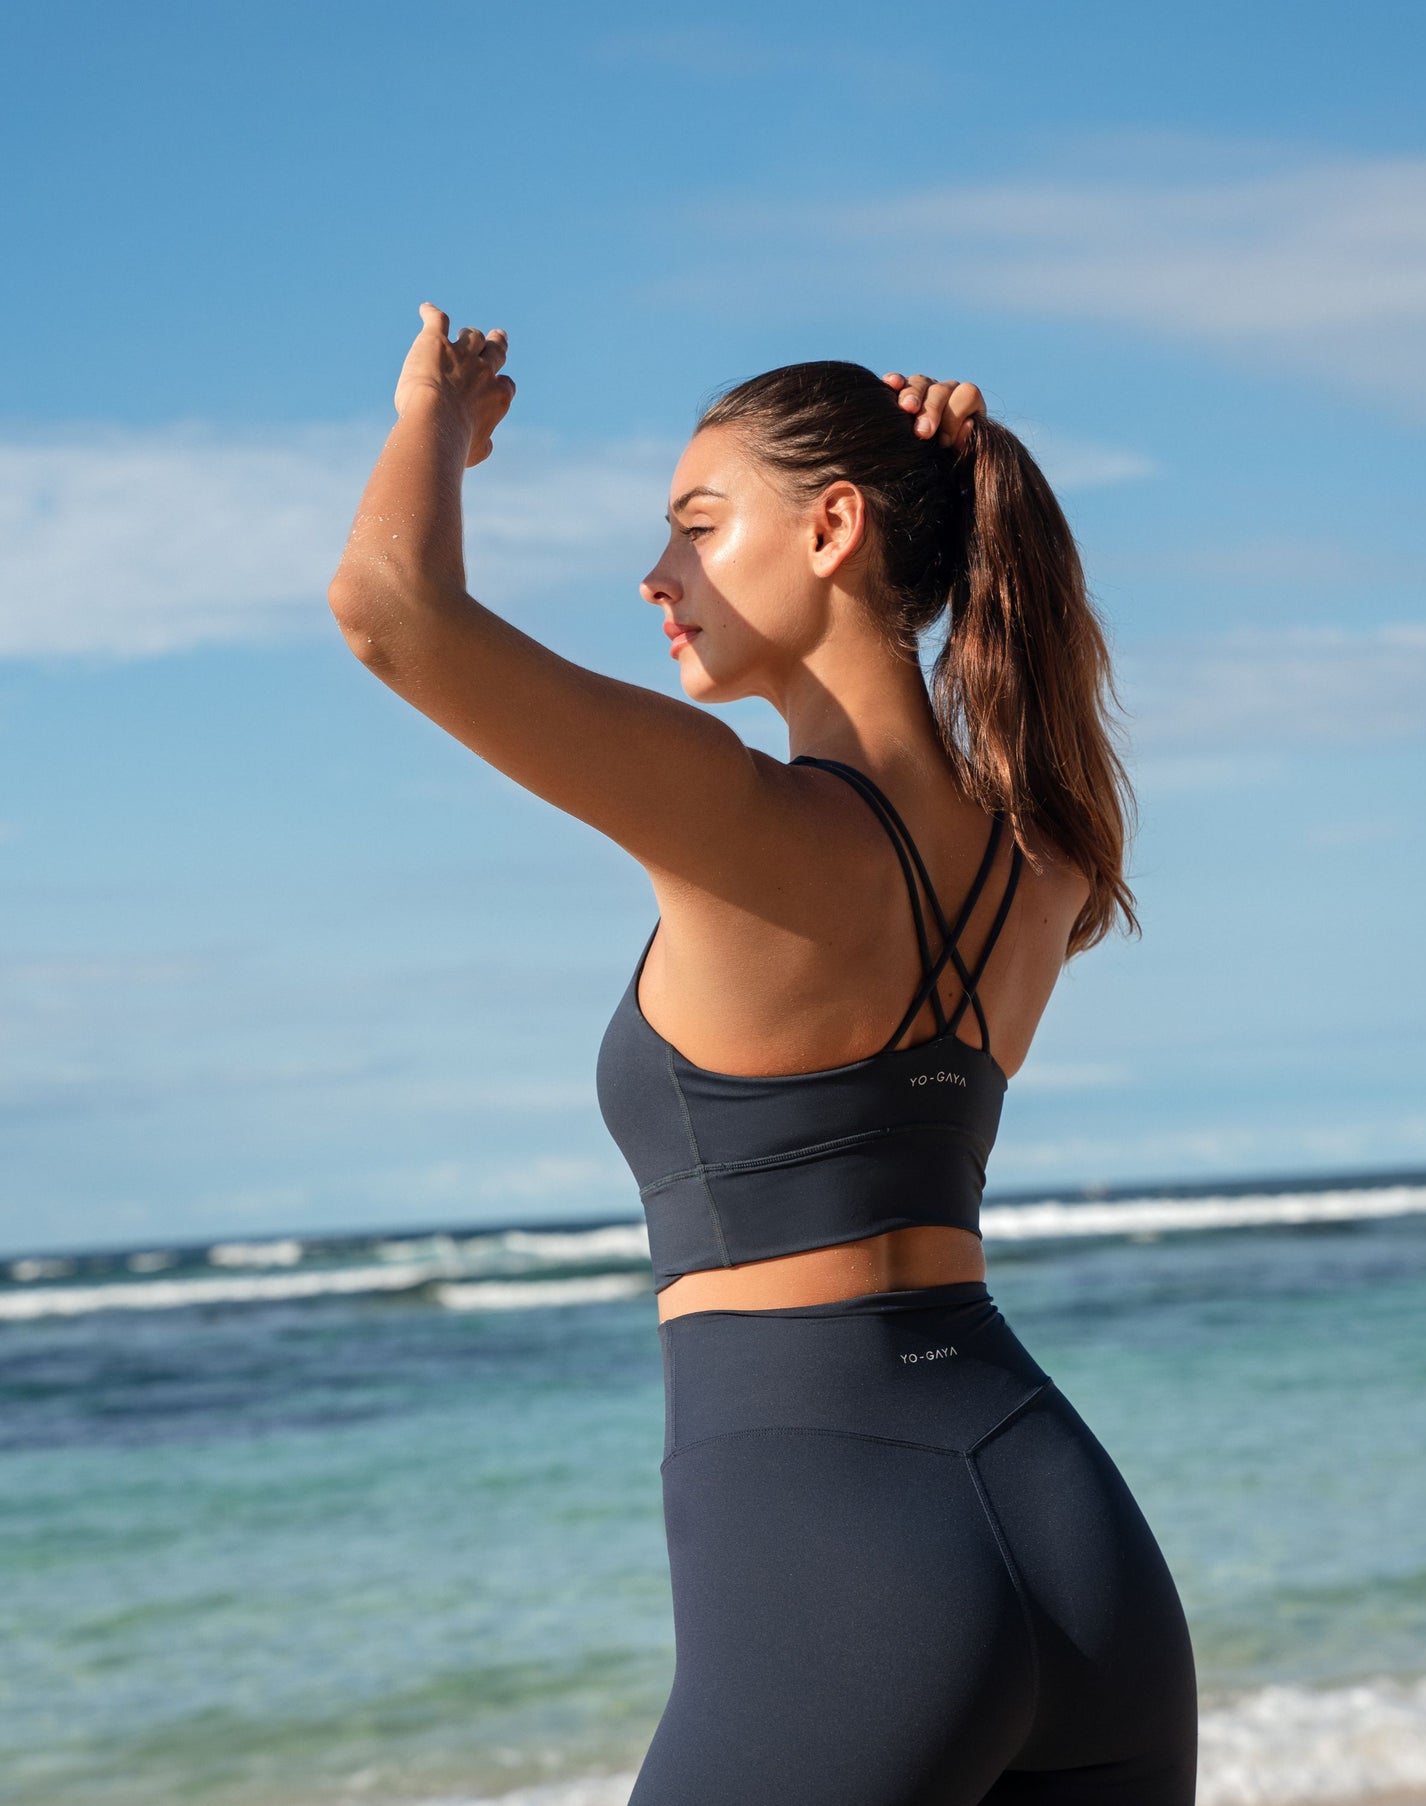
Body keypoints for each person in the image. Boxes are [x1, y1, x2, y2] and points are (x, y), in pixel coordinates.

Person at [327, 305, 1199, 1804]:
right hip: (1079, 1555)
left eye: (697, 524)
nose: (657, 578)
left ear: (835, 526)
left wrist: (432, 425)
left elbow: (389, 608)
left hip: (850, 1568)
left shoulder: (744, 821)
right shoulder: (1045, 863)